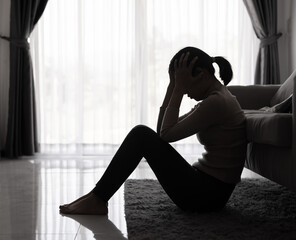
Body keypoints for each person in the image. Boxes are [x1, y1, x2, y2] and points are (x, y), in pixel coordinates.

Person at [59, 46, 247, 215]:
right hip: (208, 190)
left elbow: (165, 135)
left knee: (140, 134)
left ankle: (98, 198)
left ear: (201, 74)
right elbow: (162, 133)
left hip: (206, 196)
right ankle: (97, 196)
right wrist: (172, 87)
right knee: (142, 135)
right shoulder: (215, 99)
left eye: (184, 82)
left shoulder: (216, 102)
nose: (186, 92)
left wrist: (178, 90)